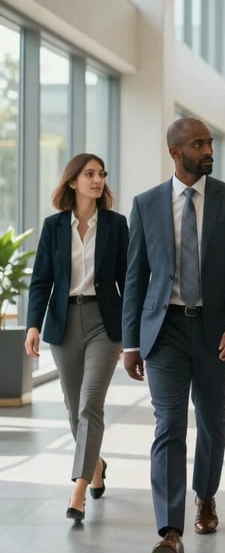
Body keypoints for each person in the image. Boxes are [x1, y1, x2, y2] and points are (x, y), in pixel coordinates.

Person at [122, 117, 225, 553]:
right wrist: (129, 342)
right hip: (164, 331)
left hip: (216, 329)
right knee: (168, 426)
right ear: (174, 151)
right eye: (198, 144)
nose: (208, 150)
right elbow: (136, 276)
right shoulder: (145, 205)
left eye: (210, 143)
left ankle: (205, 495)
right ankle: (170, 530)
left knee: (213, 421)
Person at [25, 153, 128, 523]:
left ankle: (78, 489)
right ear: (72, 182)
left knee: (89, 406)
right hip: (63, 322)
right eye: (89, 174)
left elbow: (127, 281)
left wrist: (129, 334)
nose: (97, 180)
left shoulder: (117, 225)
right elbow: (41, 280)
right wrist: (33, 325)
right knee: (73, 410)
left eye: (101, 174)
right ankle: (96, 462)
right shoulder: (53, 227)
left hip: (104, 322)